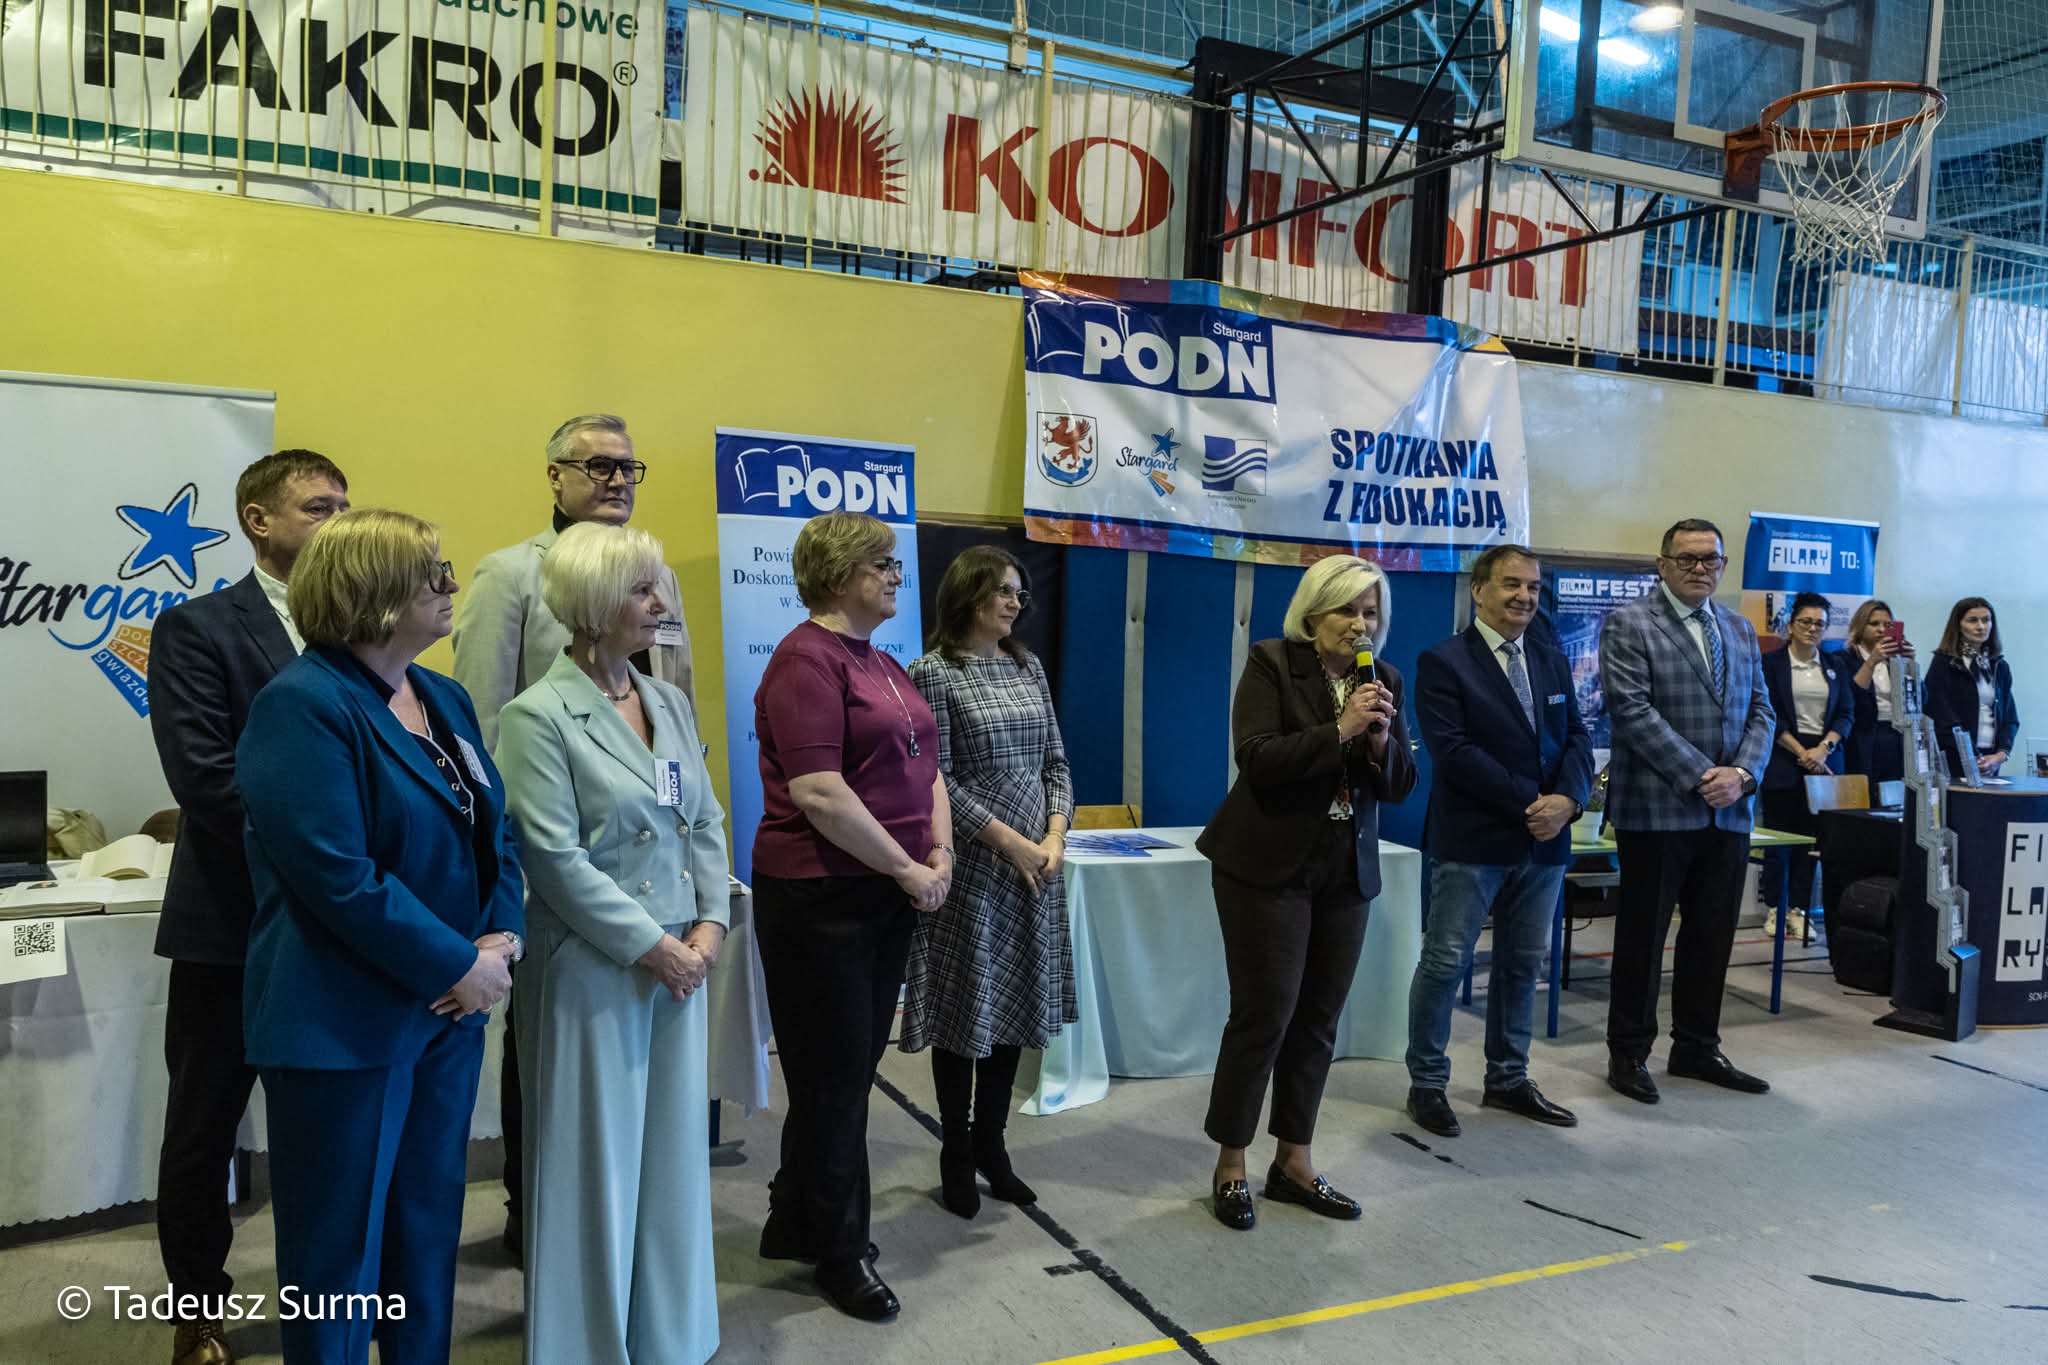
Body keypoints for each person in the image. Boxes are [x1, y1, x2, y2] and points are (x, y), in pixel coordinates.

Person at [237, 509, 524, 1365]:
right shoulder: (301, 705)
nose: (450, 584)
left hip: (447, 1016)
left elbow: (495, 831)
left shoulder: (443, 695)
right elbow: (338, 876)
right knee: (337, 1257)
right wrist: (457, 962)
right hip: (344, 1025)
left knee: (425, 1233)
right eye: (432, 571)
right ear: (373, 592)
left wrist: (501, 937)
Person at [451, 412, 693, 1257]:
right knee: (548, 1050)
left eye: (629, 467)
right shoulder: (512, 574)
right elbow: (482, 725)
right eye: (598, 465)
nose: (618, 479)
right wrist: (505, 862)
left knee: (648, 1049)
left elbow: (673, 708)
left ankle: (638, 1226)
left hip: (655, 857)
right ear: (554, 475)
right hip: (557, 854)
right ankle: (536, 1208)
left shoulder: (657, 574)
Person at [496, 522, 729, 1365]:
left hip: (680, 965)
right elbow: (552, 859)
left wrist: (709, 923)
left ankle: (670, 1335)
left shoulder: (666, 702)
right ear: (594, 605)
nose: (661, 603)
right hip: (594, 969)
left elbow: (705, 818)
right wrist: (655, 947)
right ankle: (585, 1348)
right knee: (589, 1167)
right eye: (642, 589)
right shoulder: (536, 716)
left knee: (672, 1157)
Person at [148, 449, 348, 1365]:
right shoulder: (197, 628)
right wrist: (330, 862)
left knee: (331, 1133)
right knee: (203, 1131)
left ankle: (334, 1297)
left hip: (336, 931)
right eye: (319, 507)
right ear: (259, 521)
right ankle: (197, 1311)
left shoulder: (357, 630)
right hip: (231, 925)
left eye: (345, 505)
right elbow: (206, 779)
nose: (339, 521)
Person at [752, 510, 951, 1321]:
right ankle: (841, 1250)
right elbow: (819, 791)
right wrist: (908, 866)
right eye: (883, 564)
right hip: (820, 896)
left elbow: (927, 767)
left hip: (884, 891)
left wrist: (939, 850)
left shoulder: (884, 661)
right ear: (840, 576)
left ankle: (793, 1216)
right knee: (834, 1081)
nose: (898, 576)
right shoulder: (805, 659)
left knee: (840, 1073)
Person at [1195, 554, 1416, 1231]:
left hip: (1344, 869)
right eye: (1347, 608)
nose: (1360, 623)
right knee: (1265, 1015)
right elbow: (1257, 758)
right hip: (1267, 865)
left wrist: (1379, 742)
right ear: (1314, 612)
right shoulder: (1272, 662)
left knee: (1319, 1020)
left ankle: (1294, 1161)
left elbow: (1400, 785)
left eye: (1370, 611)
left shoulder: (1384, 679)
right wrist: (1340, 729)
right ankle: (1231, 1164)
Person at [901, 546, 1076, 1220]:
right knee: (965, 1010)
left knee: (1013, 1008)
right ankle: (955, 1148)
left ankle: (992, 1146)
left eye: (1020, 592)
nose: (1015, 602)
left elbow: (1056, 763)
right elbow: (934, 780)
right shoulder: (933, 672)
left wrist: (1054, 836)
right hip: (974, 865)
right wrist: (1009, 842)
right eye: (1003, 590)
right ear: (969, 595)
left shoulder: (1027, 665)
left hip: (1036, 866)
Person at [1405, 544, 1591, 1139]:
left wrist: (1569, 801)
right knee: (1445, 962)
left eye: (1533, 587)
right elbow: (1454, 752)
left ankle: (1508, 1079)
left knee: (1522, 964)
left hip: (1546, 842)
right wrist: (1533, 803)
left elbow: (1578, 737)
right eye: (1512, 584)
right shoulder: (1443, 661)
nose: (1524, 597)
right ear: (1479, 590)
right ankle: (1427, 1083)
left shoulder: (1550, 657)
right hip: (1474, 840)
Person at [1598, 518, 1774, 1105]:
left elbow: (1763, 711)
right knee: (1643, 939)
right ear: (1663, 565)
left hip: (1729, 813)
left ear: (1722, 566)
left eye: (1710, 559)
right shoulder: (1629, 624)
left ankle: (1697, 1047)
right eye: (1687, 558)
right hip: (1658, 811)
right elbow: (1632, 711)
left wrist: (1741, 775)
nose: (1700, 568)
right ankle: (1628, 1053)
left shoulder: (1739, 628)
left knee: (1712, 937)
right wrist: (1704, 776)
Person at [1759, 592, 1855, 915]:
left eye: (1819, 624)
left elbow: (1846, 713)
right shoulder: (1770, 664)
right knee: (1780, 840)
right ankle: (1776, 908)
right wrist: (1803, 752)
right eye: (1805, 622)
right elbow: (1768, 712)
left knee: (1812, 839)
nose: (1812, 628)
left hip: (1824, 762)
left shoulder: (1835, 665)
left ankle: (1799, 909)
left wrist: (1824, 749)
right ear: (1791, 624)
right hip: (1784, 757)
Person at [1924, 597, 2018, 779]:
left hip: (1991, 758)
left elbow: (2010, 717)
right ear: (1958, 625)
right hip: (1955, 756)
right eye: (1972, 620)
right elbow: (1940, 714)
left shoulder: (1999, 666)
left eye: (1986, 620)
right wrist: (1971, 755)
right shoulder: (1944, 663)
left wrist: (2001, 755)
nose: (1981, 626)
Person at [1837, 599, 1914, 785]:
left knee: (1895, 791)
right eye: (1874, 624)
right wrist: (1872, 661)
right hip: (1862, 735)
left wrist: (1911, 666)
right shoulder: (1843, 658)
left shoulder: (1896, 659)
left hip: (1896, 734)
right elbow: (1852, 700)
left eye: (1887, 625)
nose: (1881, 629)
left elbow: (1919, 701)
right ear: (1860, 626)